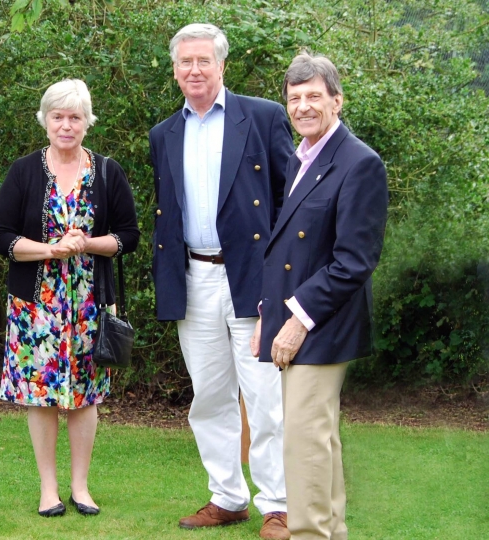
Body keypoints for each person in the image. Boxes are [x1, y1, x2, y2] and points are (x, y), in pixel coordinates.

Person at [149, 23, 294, 539]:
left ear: (221, 65)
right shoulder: (164, 133)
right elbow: (167, 215)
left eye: (203, 61)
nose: (193, 70)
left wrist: (283, 283)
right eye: (184, 62)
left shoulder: (263, 117)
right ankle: (228, 497)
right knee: (208, 397)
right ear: (174, 69)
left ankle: (278, 506)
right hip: (193, 276)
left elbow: (290, 203)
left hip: (253, 280)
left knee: (264, 398)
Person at [250, 53, 388, 540]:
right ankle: (331, 533)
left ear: (337, 99)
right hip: (298, 318)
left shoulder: (359, 163)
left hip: (324, 324)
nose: (304, 106)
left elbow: (354, 260)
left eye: (314, 96)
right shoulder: (301, 156)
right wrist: (269, 314)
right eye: (295, 98)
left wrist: (297, 320)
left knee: (305, 442)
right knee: (318, 439)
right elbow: (286, 246)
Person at [0, 79, 139, 518]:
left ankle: (81, 487)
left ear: (87, 122)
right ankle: (48, 489)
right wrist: (49, 251)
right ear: (45, 120)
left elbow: (128, 237)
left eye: (75, 117)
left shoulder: (108, 172)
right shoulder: (24, 171)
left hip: (90, 303)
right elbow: (2, 238)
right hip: (35, 306)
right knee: (41, 395)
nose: (66, 125)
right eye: (58, 116)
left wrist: (87, 244)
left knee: (86, 396)